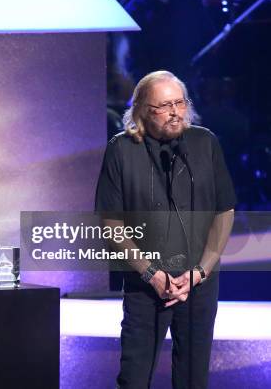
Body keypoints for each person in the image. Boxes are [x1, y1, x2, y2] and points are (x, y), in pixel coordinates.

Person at [95, 70, 235, 388]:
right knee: (134, 377)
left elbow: (224, 210)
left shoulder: (205, 142)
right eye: (164, 106)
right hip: (146, 286)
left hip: (197, 284)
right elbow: (110, 222)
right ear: (144, 110)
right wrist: (151, 274)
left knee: (192, 379)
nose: (175, 112)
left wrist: (200, 271)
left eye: (179, 103)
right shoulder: (121, 149)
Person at [125, 0, 214, 83]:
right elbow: (136, 63)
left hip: (193, 85)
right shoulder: (135, 12)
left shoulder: (191, 0)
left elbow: (208, 41)